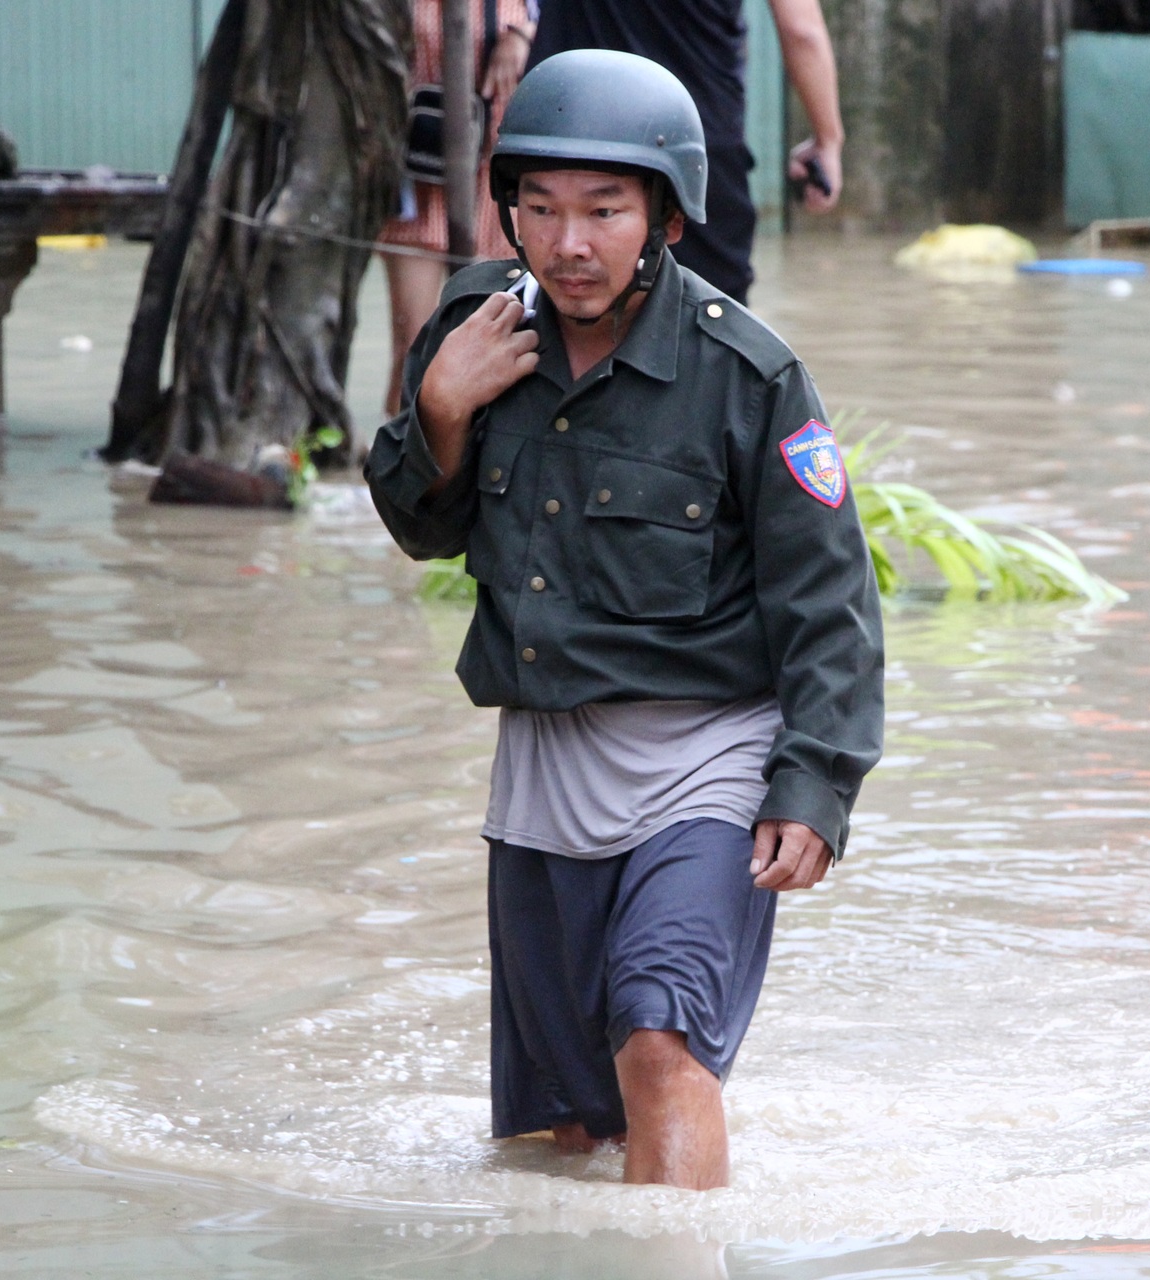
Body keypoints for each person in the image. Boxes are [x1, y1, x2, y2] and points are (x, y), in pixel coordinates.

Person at [364, 50, 883, 1189]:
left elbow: (831, 602)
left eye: (604, 210)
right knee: (567, 1133)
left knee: (659, 1043)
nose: (570, 244)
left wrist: (816, 783)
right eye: (541, 210)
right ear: (510, 212)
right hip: (544, 768)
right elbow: (420, 526)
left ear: (666, 219)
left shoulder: (751, 377)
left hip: (709, 755)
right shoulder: (474, 326)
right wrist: (441, 408)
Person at [526, 0, 845, 304]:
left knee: (545, 307)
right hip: (696, 141)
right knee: (712, 316)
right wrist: (827, 139)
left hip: (563, 127)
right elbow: (802, 31)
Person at [378, 0, 538, 417]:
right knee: (413, 337)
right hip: (418, 169)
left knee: (500, 327)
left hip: (494, 172)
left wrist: (523, 33)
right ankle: (403, 455)